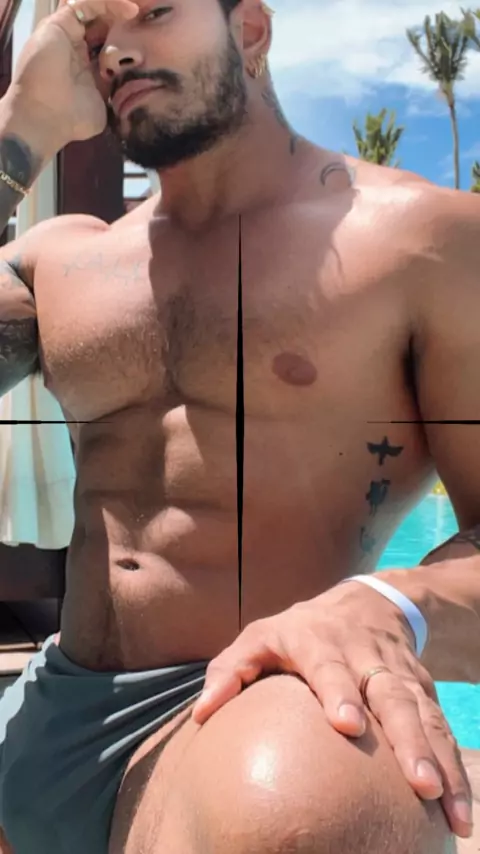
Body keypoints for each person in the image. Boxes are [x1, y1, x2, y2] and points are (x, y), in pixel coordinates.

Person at [0, 0, 478, 851]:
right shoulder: (64, 257)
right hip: (54, 702)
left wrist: (387, 607)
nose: (118, 51)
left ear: (250, 31)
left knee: (308, 811)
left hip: (247, 711)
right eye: (98, 37)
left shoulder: (423, 242)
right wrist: (19, 134)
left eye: (155, 10)